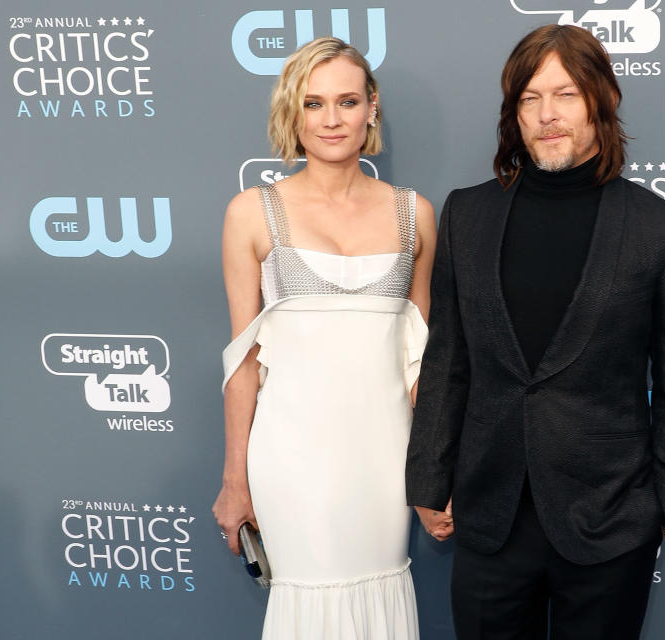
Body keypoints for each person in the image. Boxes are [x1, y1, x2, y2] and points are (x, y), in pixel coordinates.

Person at [406, 24, 665, 639]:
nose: (548, 115)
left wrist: (663, 505)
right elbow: (448, 362)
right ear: (513, 112)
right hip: (489, 518)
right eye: (530, 98)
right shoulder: (468, 214)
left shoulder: (662, 229)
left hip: (609, 520)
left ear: (603, 101)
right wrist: (429, 480)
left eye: (566, 94)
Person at [213, 37, 436, 639]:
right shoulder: (251, 213)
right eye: (314, 104)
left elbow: (420, 361)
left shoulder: (416, 213)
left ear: (372, 109)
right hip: (292, 455)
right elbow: (244, 358)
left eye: (347, 101)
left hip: (386, 455)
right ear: (293, 113)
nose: (332, 119)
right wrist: (236, 480)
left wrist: (432, 471)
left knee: (381, 588)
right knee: (310, 602)